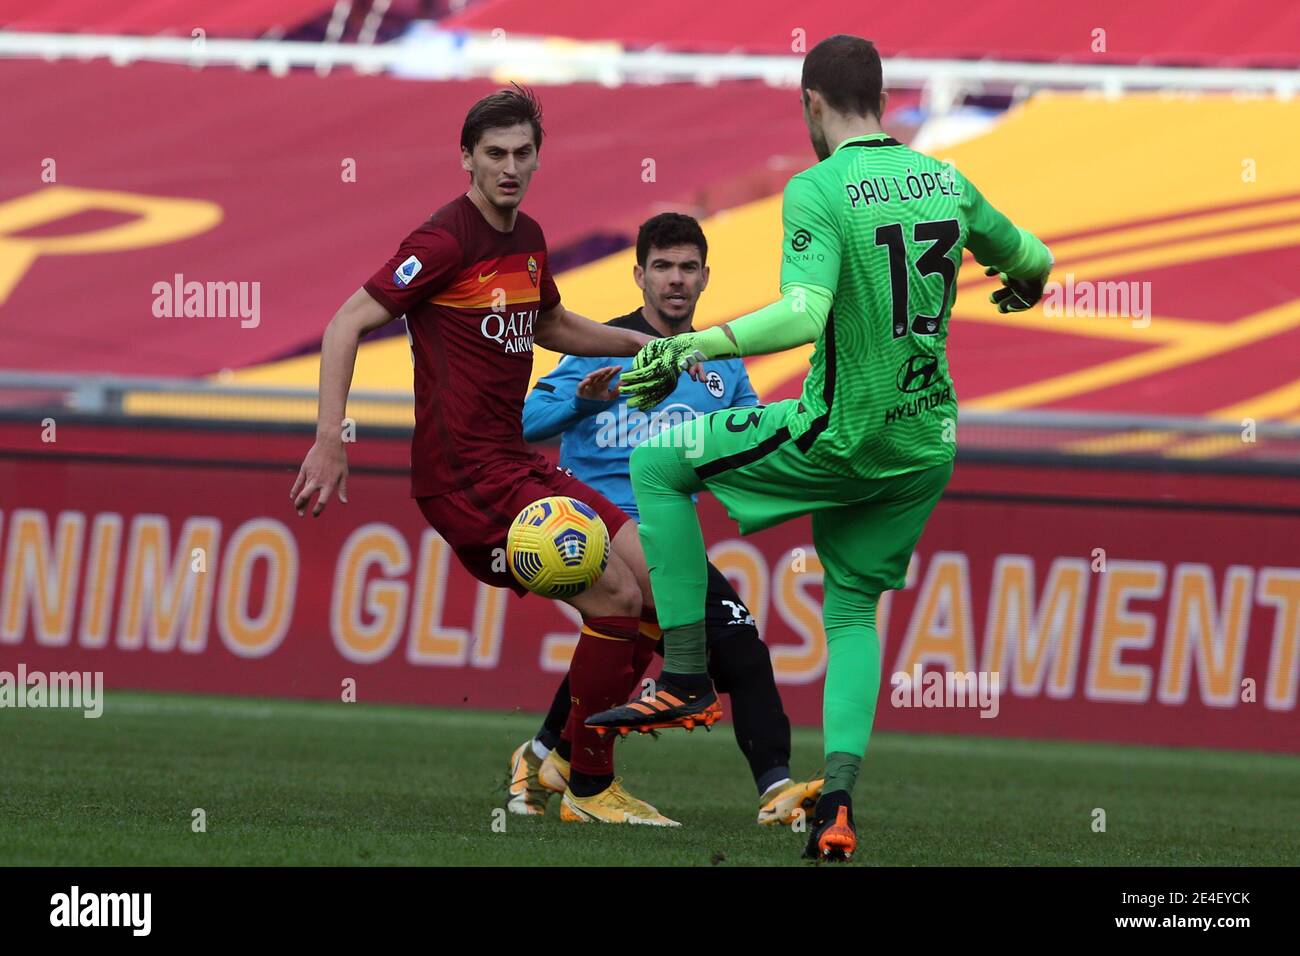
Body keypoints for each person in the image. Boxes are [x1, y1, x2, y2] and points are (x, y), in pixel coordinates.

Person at [586, 35, 1055, 860]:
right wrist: (1024, 285)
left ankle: (689, 676)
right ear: (881, 97)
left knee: (657, 462)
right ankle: (835, 804)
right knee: (850, 613)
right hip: (925, 443)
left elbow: (803, 315)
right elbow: (1034, 257)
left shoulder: (818, 187)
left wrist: (695, 347)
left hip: (840, 429)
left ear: (811, 101)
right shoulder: (945, 180)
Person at [291, 85, 679, 826]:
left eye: (522, 153)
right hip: (464, 479)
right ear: (466, 157)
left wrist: (638, 340)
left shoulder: (527, 235)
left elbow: (551, 320)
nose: (509, 166)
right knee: (616, 601)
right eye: (494, 154)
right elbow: (346, 323)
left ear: (537, 157)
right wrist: (328, 438)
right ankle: (590, 792)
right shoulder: (443, 242)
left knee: (658, 592)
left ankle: (546, 764)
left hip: (520, 463)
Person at [506, 212, 822, 826]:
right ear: (639, 276)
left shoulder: (722, 367)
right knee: (702, 638)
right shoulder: (598, 345)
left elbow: (747, 447)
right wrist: (579, 402)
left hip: (666, 535)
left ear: (705, 278)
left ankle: (549, 753)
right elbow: (518, 426)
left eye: (687, 268)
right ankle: (772, 791)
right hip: (593, 529)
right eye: (662, 267)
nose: (675, 279)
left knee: (680, 651)